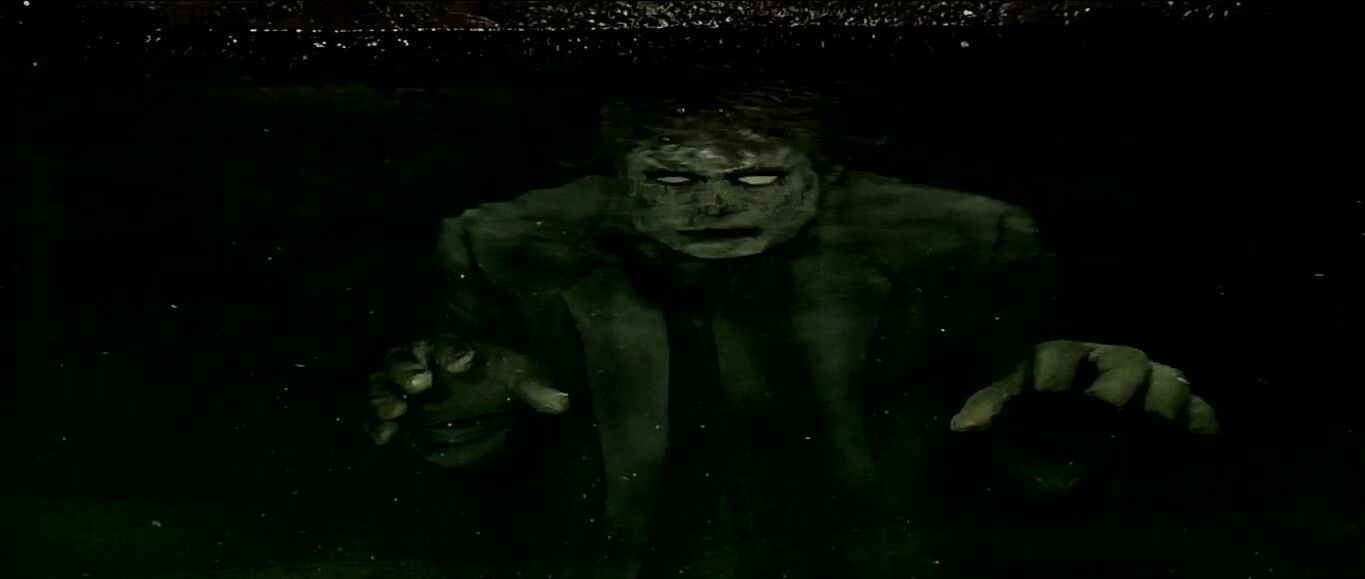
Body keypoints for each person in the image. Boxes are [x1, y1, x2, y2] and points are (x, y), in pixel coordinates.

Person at [361, 79, 1220, 579]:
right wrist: (457, 416)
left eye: (754, 178)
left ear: (826, 172)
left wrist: (1060, 428)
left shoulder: (966, 245)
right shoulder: (505, 247)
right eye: (671, 179)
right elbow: (469, 457)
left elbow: (1021, 451)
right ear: (615, 176)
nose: (712, 206)